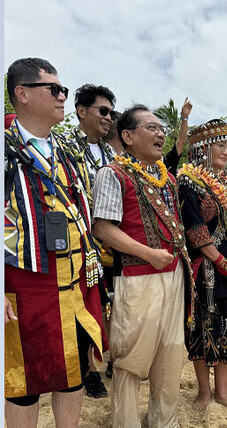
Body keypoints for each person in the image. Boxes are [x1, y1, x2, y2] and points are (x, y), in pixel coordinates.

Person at [4, 57, 106, 428]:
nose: (64, 96)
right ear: (22, 93)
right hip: (24, 282)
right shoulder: (4, 150)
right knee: (22, 380)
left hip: (77, 278)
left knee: (74, 370)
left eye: (63, 89)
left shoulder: (67, 152)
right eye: (54, 89)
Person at [92, 104, 194, 428]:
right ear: (129, 137)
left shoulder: (163, 174)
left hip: (174, 274)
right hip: (138, 277)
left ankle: (163, 422)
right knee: (132, 355)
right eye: (151, 127)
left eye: (161, 127)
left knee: (170, 349)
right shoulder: (112, 173)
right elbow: (103, 228)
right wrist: (148, 253)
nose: (160, 133)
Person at [178, 119, 227, 410]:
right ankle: (204, 391)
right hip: (205, 269)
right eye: (221, 145)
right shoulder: (188, 182)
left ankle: (222, 390)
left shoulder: (226, 184)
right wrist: (220, 262)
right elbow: (195, 229)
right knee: (202, 328)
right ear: (202, 148)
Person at [64, 83, 118, 398]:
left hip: (114, 240)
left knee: (113, 306)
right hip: (84, 242)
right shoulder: (66, 147)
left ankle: (111, 358)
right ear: (82, 111)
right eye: (103, 111)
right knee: (87, 305)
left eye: (111, 112)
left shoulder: (112, 152)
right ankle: (89, 368)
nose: (108, 117)